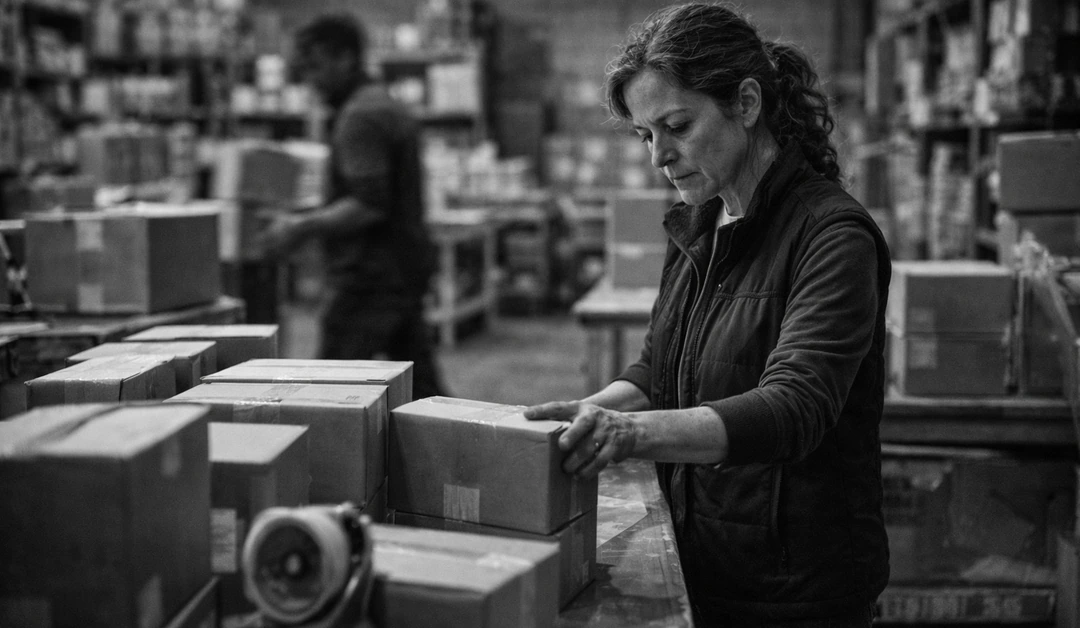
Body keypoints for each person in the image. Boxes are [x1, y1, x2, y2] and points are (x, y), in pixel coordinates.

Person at [525, 3, 891, 626]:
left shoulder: (833, 237)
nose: (658, 158)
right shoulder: (699, 223)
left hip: (794, 586)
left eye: (677, 126)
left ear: (746, 104)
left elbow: (793, 408)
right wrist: (592, 415)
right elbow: (656, 371)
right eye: (646, 136)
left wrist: (631, 436)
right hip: (706, 558)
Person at [262, 14, 446, 399]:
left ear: (345, 58)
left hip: (370, 277)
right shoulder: (383, 104)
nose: (309, 80)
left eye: (315, 67)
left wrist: (299, 227)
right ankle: (458, 448)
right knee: (421, 386)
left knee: (329, 389)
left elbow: (369, 204)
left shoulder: (361, 116)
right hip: (402, 267)